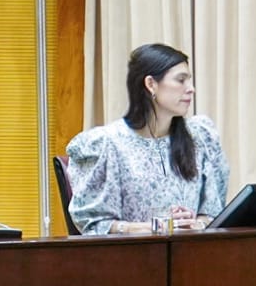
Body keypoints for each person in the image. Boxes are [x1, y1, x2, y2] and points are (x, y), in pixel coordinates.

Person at [65, 42, 230, 235]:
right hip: (133, 252)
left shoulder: (199, 136)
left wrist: (196, 224)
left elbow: (213, 213)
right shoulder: (107, 144)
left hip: (191, 251)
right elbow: (93, 224)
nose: (191, 89)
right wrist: (152, 227)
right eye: (181, 80)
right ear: (151, 84)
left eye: (189, 81)